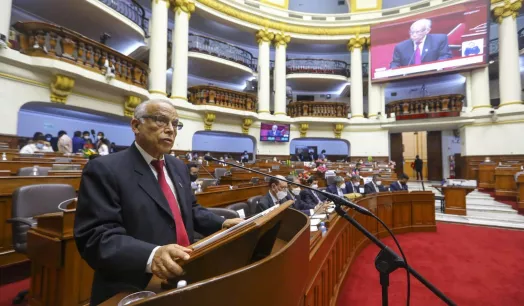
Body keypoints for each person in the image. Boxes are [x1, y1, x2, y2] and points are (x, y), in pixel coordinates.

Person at [74, 99, 243, 305]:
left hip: (183, 277)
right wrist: (152, 255)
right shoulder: (105, 169)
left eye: (175, 124)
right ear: (136, 126)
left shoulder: (177, 167)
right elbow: (96, 237)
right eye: (162, 121)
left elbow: (190, 210)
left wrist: (222, 225)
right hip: (133, 286)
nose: (170, 130)